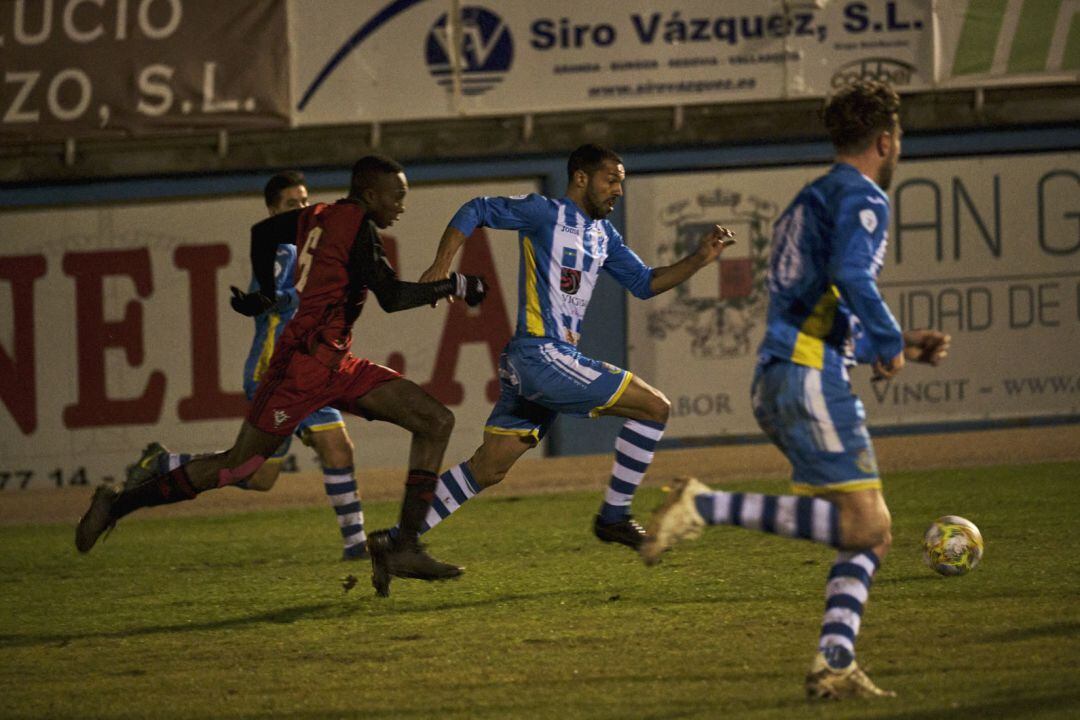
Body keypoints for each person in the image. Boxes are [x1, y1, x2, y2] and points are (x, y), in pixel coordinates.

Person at [639, 80, 951, 700]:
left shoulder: (807, 201)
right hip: (806, 377)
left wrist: (898, 343)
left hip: (790, 371)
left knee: (871, 531)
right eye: (898, 143)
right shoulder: (862, 196)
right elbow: (852, 274)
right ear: (886, 141)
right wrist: (889, 340)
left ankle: (833, 662)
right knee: (865, 526)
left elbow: (818, 309)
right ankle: (703, 505)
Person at [76, 155, 488, 590]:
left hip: (336, 363)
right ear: (370, 195)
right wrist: (457, 285)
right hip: (300, 369)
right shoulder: (356, 229)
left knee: (435, 420)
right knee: (239, 468)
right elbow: (391, 297)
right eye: (398, 195)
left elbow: (264, 232)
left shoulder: (320, 215)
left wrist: (268, 293)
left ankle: (403, 544)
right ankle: (116, 505)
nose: (402, 205)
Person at [363, 143, 735, 595]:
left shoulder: (603, 236)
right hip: (543, 356)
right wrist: (443, 263)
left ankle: (399, 541)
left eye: (621, 181)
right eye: (610, 180)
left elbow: (644, 283)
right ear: (580, 178)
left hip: (535, 363)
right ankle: (614, 516)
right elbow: (476, 208)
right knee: (654, 408)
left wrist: (699, 259)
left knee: (490, 467)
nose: (618, 189)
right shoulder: (545, 213)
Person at [126, 171, 372, 561]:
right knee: (335, 447)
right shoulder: (281, 250)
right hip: (276, 372)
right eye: (292, 204)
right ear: (273, 210)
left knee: (259, 477)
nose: (303, 209)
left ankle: (163, 463)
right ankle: (357, 547)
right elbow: (277, 297)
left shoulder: (311, 249)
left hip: (308, 369)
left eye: (306, 201)